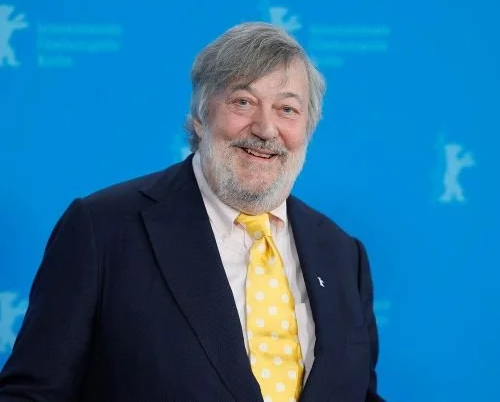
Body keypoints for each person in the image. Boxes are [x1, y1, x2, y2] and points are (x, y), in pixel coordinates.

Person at [0, 22, 384, 401]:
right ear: (200, 117)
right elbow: (33, 394)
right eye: (243, 102)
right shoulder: (102, 229)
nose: (266, 128)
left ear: (308, 129)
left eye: (287, 108)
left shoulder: (343, 255)